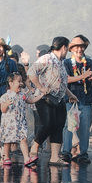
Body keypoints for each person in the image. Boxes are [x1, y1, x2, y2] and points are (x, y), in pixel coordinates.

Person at [25, 37, 78, 168]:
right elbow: (31, 73)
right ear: (64, 47)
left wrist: (71, 95)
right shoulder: (47, 58)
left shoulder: (61, 62)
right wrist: (41, 87)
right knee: (48, 123)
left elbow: (61, 83)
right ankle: (35, 146)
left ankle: (55, 157)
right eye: (68, 49)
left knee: (58, 126)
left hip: (59, 99)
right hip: (44, 97)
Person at [62, 36, 92, 165]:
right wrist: (83, 76)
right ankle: (66, 152)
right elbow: (66, 79)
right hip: (71, 98)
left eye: (82, 46)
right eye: (76, 46)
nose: (79, 49)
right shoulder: (66, 63)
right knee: (69, 126)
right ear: (71, 49)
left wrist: (91, 78)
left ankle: (83, 153)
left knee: (85, 127)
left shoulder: (89, 61)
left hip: (86, 99)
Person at [0, 70, 40, 167]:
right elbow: (3, 110)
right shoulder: (5, 96)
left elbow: (31, 100)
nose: (21, 84)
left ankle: (26, 158)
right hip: (9, 123)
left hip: (20, 122)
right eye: (18, 82)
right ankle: (6, 156)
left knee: (23, 139)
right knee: (7, 141)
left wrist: (41, 95)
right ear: (11, 83)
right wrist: (7, 104)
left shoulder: (22, 95)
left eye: (21, 81)